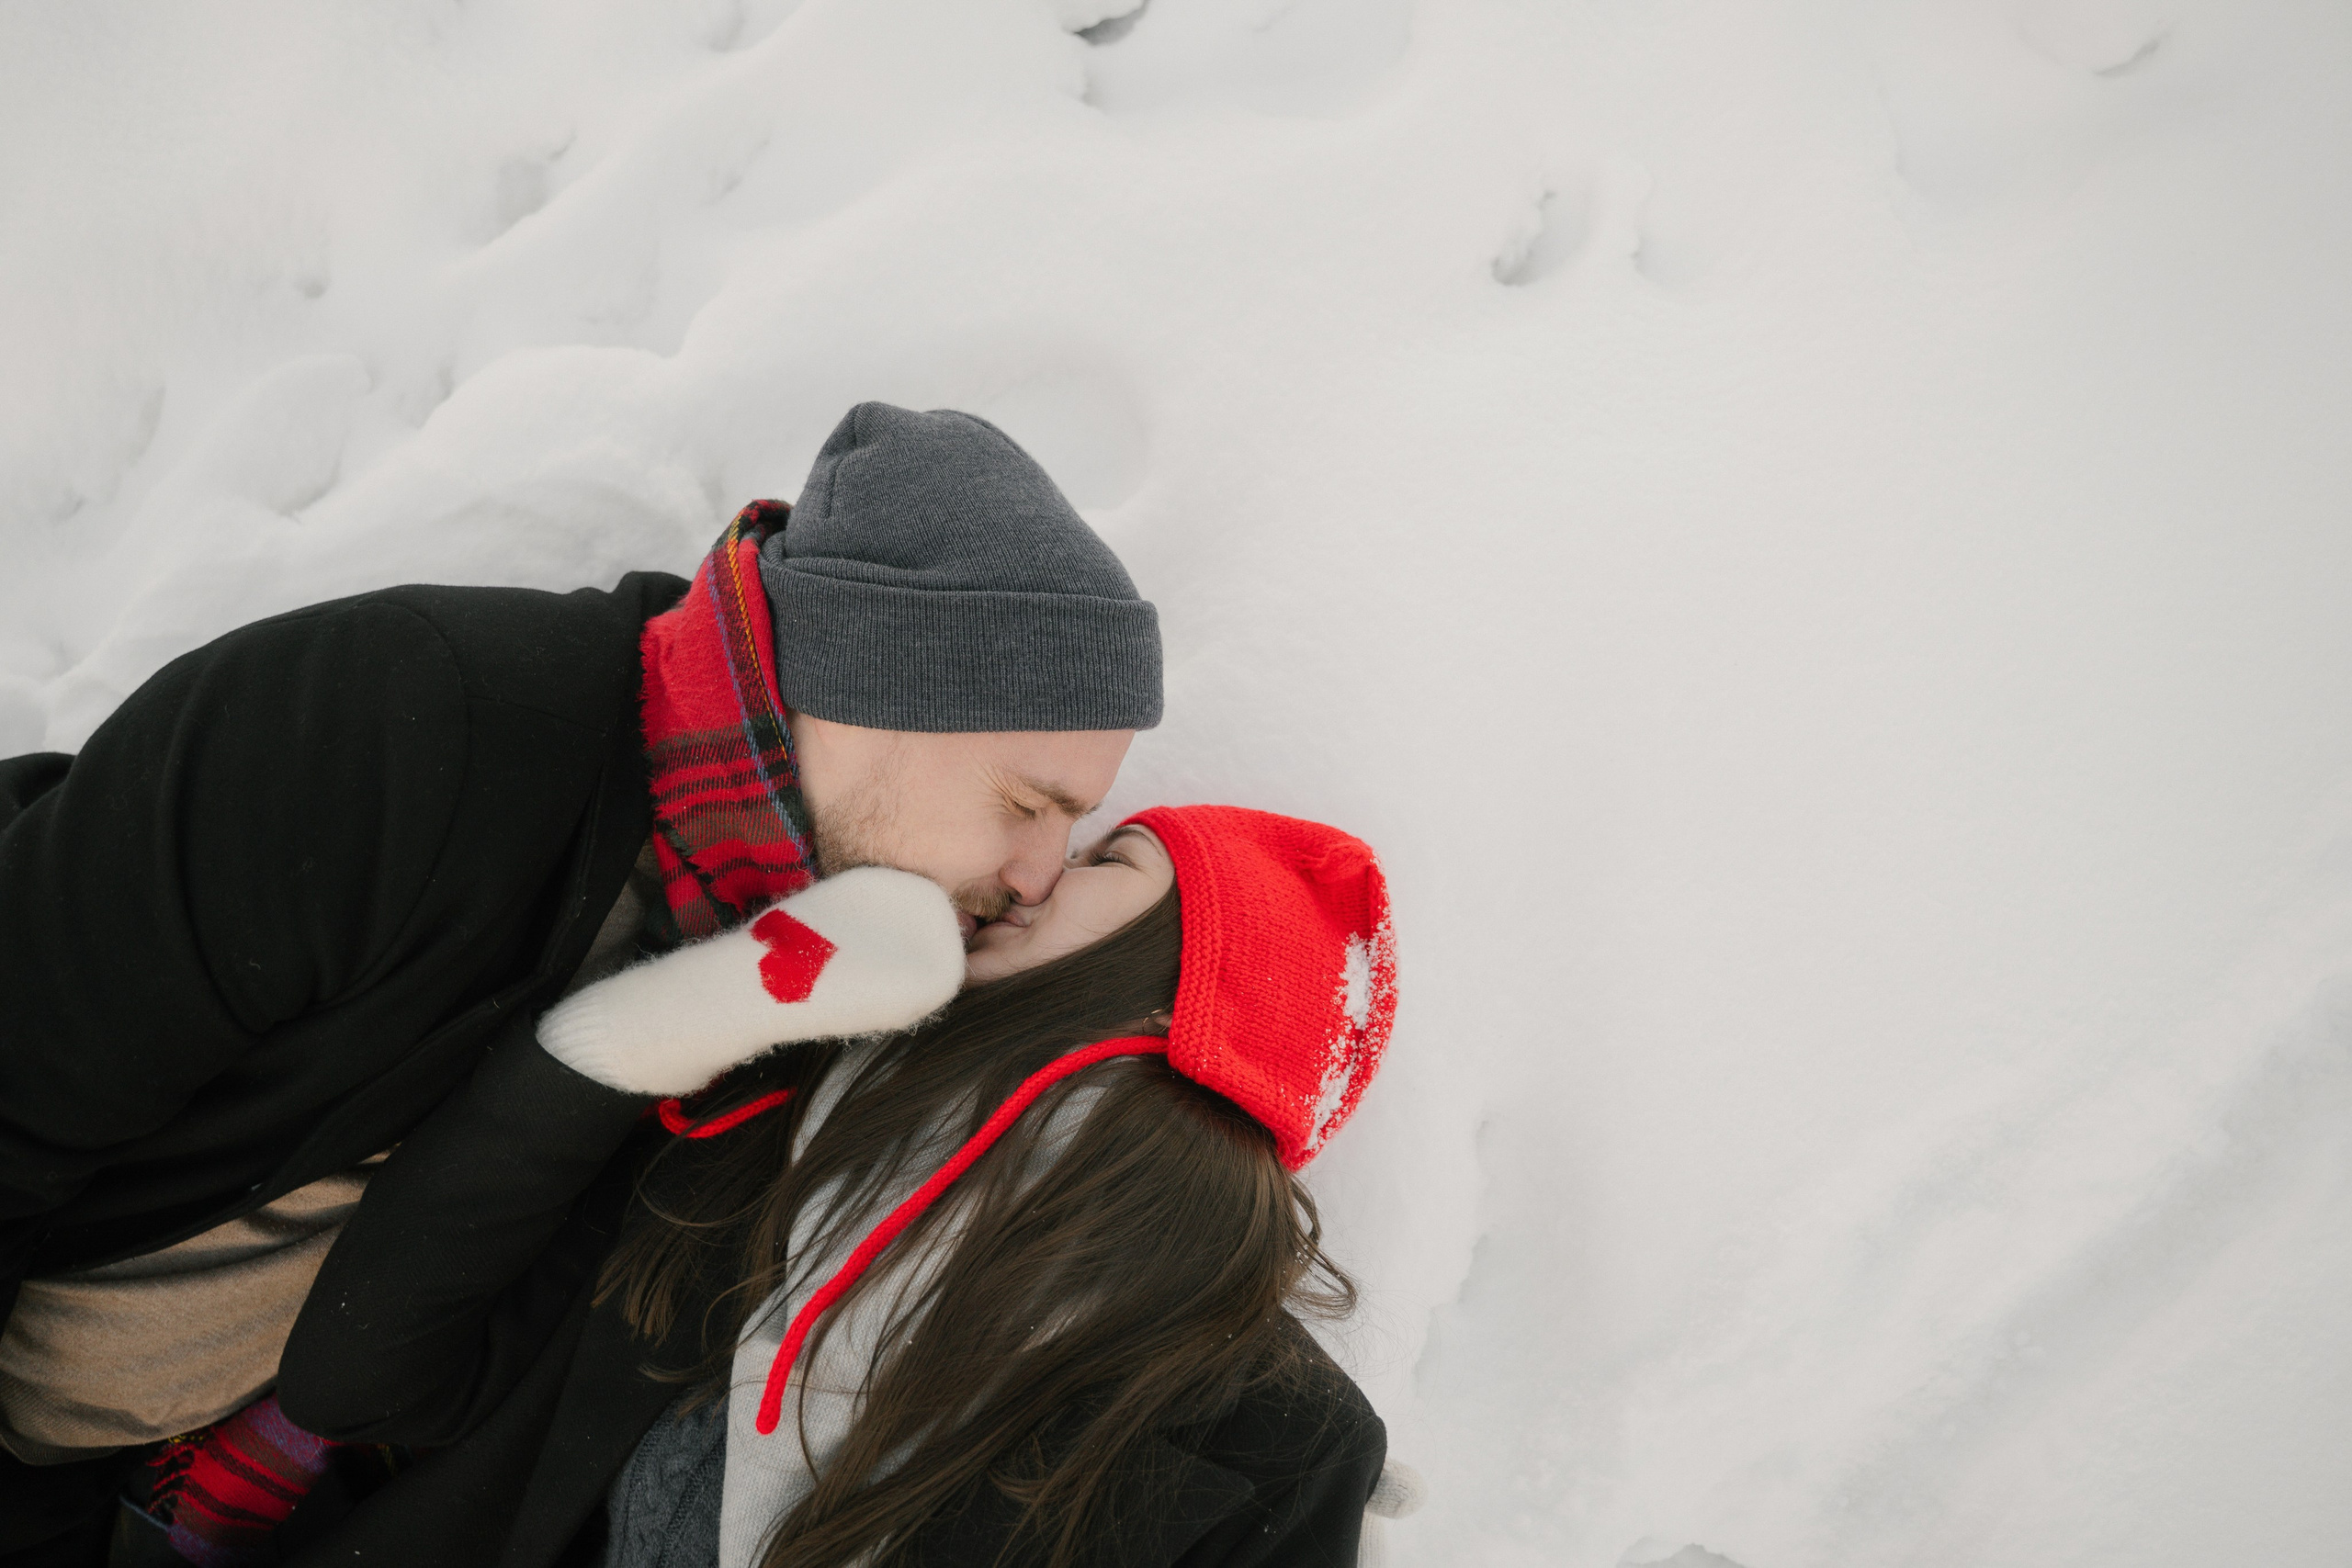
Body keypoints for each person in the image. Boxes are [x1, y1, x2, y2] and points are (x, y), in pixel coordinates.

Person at [0, 402, 1163, 1563]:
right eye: (1027, 805)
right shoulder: (408, 725)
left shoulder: (786, 981)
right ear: (880, 690)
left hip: (105, 1471)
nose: (1033, 877)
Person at [259, 804, 1399, 1567]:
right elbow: (356, 1377)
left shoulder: (1264, 1441)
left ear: (1198, 993)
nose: (1041, 870)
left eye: (1106, 862)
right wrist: (641, 1040)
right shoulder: (746, 1144)